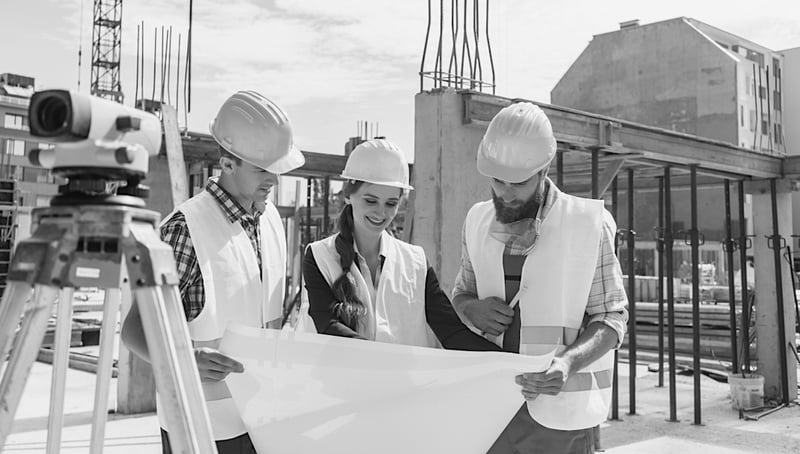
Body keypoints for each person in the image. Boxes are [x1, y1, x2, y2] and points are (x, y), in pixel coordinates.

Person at [121, 91, 305, 454]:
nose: (273, 180)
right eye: (262, 170)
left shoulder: (270, 220)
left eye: (276, 170)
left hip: (261, 415)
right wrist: (185, 360)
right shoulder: (184, 229)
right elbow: (134, 329)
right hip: (201, 425)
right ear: (228, 163)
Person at [451, 102, 628, 453]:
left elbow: (612, 318)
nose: (504, 192)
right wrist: (473, 308)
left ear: (544, 169)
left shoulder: (589, 224)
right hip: (491, 408)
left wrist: (566, 363)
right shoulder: (476, 220)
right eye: (496, 180)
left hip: (562, 418)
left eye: (517, 183)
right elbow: (461, 293)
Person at [300, 138, 501, 351]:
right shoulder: (319, 257)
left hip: (404, 384)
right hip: (346, 383)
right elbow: (328, 325)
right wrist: (389, 361)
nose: (381, 213)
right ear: (348, 195)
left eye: (391, 204)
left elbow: (451, 331)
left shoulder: (416, 263)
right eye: (370, 201)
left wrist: (509, 362)